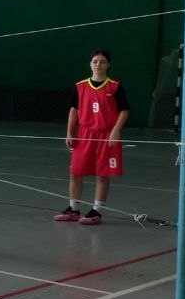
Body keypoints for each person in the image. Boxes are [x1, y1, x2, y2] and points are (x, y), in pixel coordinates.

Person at [55, 48, 129, 225]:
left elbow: (124, 110)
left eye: (102, 62)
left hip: (106, 134)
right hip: (85, 134)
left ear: (108, 64)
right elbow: (74, 111)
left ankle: (96, 212)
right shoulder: (80, 86)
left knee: (102, 175)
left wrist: (116, 130)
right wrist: (69, 132)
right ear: (90, 64)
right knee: (76, 172)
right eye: (95, 61)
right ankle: (73, 209)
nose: (98, 65)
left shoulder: (115, 86)